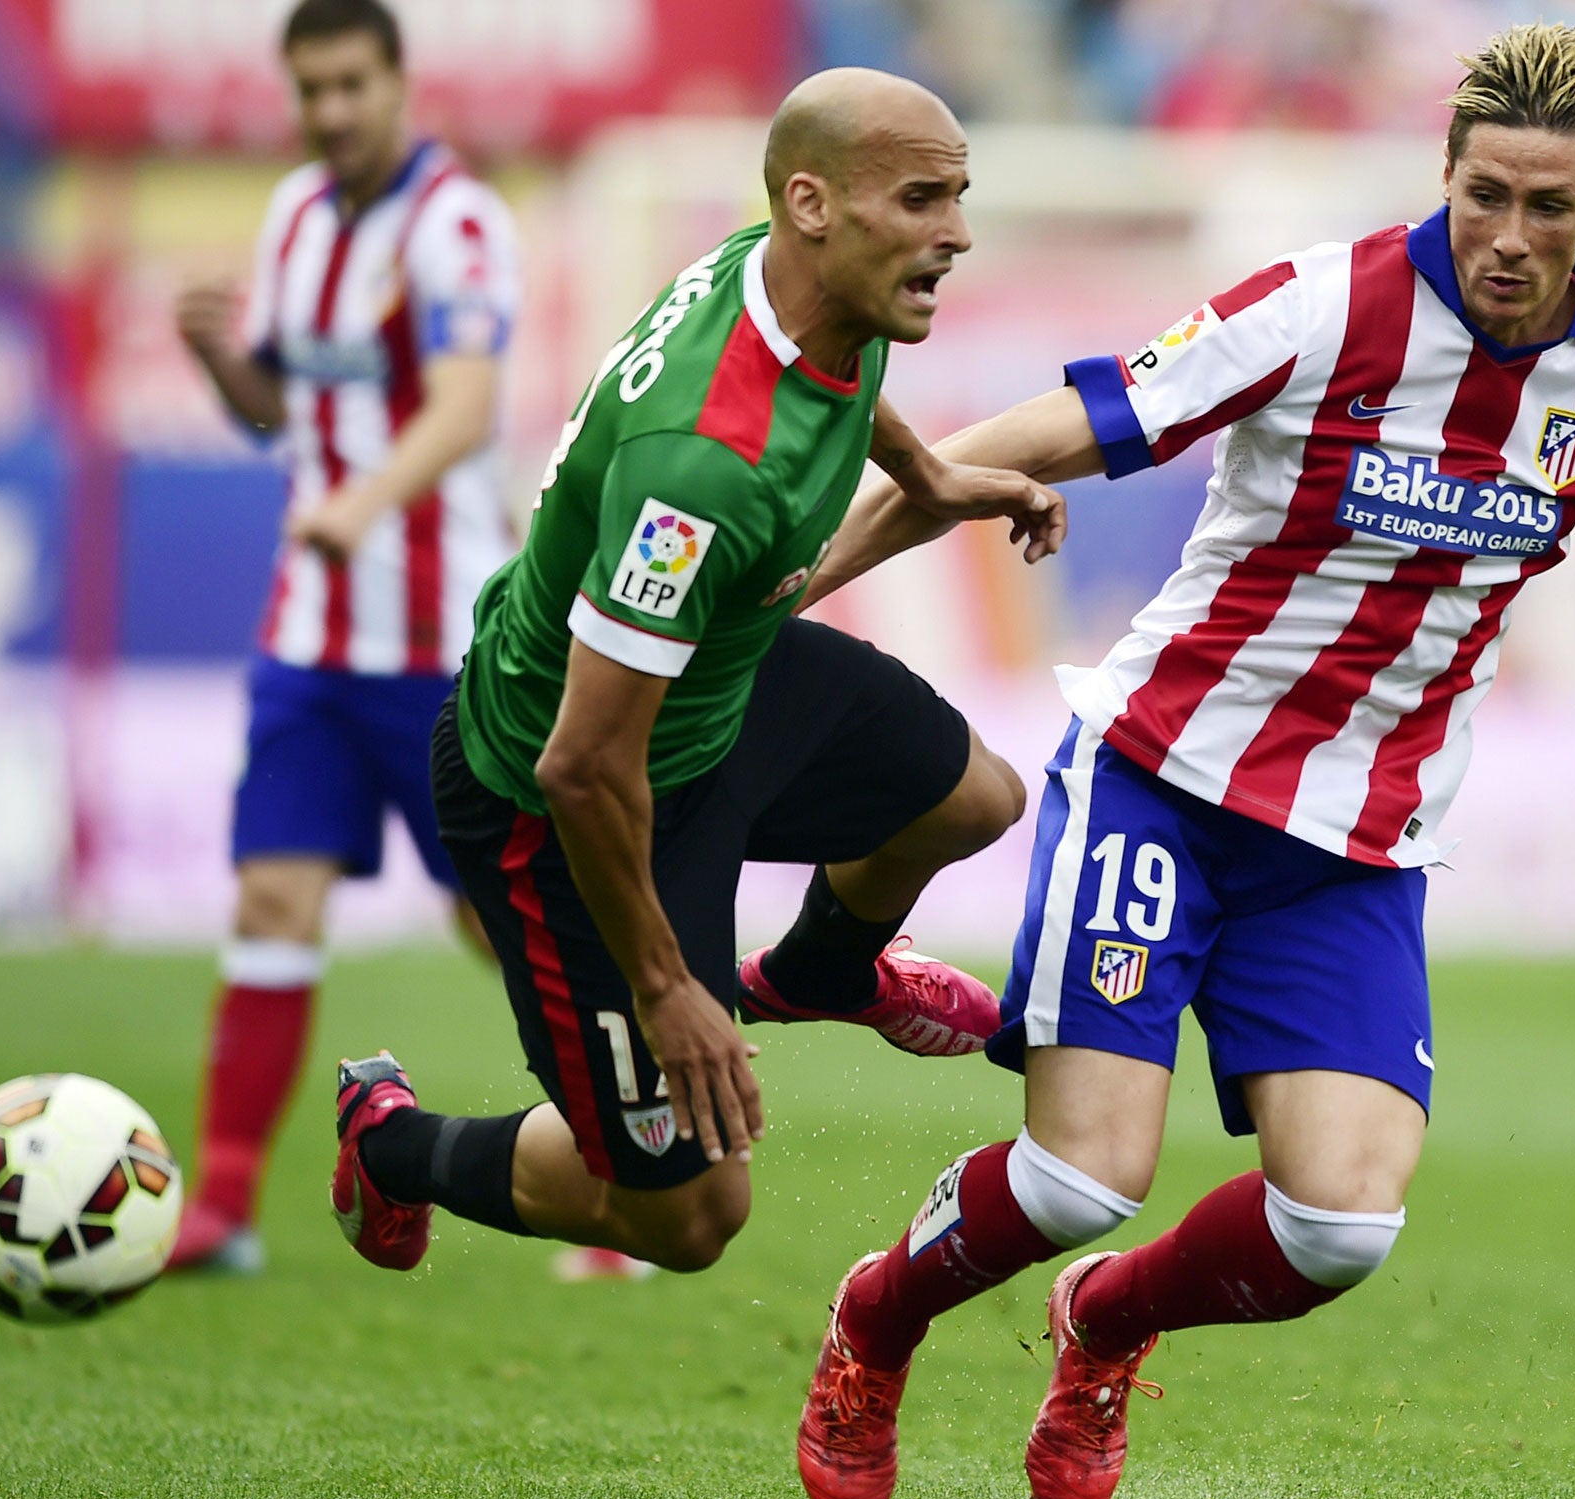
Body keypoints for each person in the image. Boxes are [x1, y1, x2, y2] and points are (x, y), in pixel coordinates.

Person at [791, 24, 1575, 1499]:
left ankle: (1105, 1326)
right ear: (1447, 172)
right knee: (1079, 1178)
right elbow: (1073, 422)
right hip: (1164, 774)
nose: (1507, 236)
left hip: (1355, 846)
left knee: (1340, 1228)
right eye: (1484, 193)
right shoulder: (1327, 304)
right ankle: (877, 1321)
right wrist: (827, 557)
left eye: (1547, 208)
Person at [327, 70, 1069, 1279]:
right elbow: (581, 763)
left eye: (960, 196)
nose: (957, 233)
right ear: (813, 204)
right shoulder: (699, 471)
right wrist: (670, 989)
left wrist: (925, 479)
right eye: (925, 199)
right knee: (687, 1219)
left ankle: (819, 973)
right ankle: (392, 1144)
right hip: (565, 803)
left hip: (709, 702)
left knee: (971, 798)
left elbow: (834, 378)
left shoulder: (783, 269)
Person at [167, 0, 519, 1272]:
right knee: (270, 895)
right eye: (309, 88)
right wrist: (215, 361)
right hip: (309, 637)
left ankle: (621, 1160)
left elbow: (469, 406)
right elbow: (278, 412)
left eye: (350, 85)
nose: (328, 112)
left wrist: (364, 505)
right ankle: (217, 1208)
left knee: (501, 922)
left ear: (397, 83)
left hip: (444, 650)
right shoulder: (294, 218)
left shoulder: (460, 225)